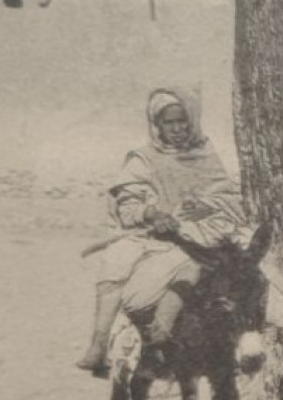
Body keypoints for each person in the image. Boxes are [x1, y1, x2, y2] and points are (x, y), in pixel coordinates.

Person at [77, 87, 248, 375]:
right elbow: (128, 205)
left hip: (201, 232)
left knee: (225, 266)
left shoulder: (204, 154)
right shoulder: (142, 160)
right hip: (152, 234)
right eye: (169, 122)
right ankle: (99, 343)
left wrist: (207, 207)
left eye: (183, 121)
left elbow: (230, 198)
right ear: (157, 125)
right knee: (115, 262)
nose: (178, 128)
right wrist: (153, 214)